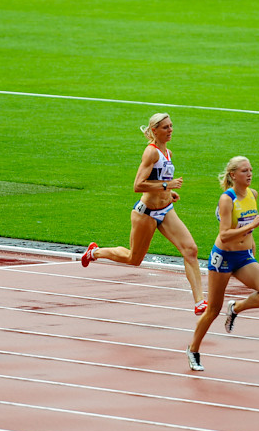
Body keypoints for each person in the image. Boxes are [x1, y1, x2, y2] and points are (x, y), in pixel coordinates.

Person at [81, 113, 207, 314]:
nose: (170, 130)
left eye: (171, 126)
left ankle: (200, 301)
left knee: (190, 250)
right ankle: (94, 252)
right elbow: (138, 185)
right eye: (165, 127)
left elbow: (157, 181)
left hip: (166, 211)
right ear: (154, 130)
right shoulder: (151, 153)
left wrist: (169, 192)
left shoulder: (168, 153)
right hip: (146, 213)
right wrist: (167, 185)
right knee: (134, 259)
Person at [187, 156, 259, 371]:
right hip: (224, 257)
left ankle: (236, 308)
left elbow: (249, 228)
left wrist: (252, 249)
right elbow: (225, 234)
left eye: (251, 170)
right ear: (233, 175)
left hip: (244, 256)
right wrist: (252, 225)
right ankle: (193, 349)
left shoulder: (253, 195)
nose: (249, 174)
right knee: (213, 310)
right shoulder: (227, 199)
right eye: (245, 171)